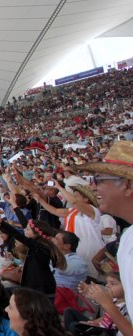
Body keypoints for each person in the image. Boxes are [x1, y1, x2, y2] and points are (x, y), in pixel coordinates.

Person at [74, 140, 133, 336]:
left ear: (127, 185)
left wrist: (107, 304)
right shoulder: (127, 237)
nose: (93, 187)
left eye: (99, 180)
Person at [0, 211, 66, 295]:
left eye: (27, 229)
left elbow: (17, 235)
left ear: (36, 234)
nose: (24, 230)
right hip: (38, 287)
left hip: (41, 290)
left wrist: (1, 222)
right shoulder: (40, 245)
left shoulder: (39, 246)